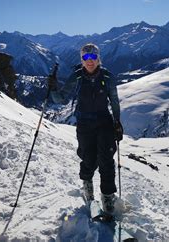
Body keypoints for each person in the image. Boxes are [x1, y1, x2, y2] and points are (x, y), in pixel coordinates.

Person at [47, 43, 123, 215]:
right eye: (86, 57)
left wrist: (117, 122)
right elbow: (60, 99)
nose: (90, 61)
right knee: (88, 158)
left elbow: (115, 101)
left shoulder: (108, 77)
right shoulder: (77, 77)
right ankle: (87, 186)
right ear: (82, 60)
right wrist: (52, 88)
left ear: (98, 58)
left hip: (104, 122)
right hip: (85, 124)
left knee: (106, 160)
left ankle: (108, 195)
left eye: (93, 57)